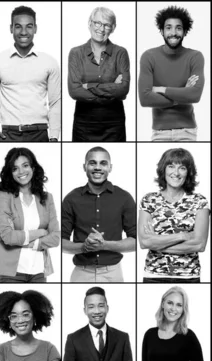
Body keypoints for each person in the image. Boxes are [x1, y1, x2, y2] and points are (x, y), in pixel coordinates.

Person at [61, 146, 136, 282]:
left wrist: (105, 245)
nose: (97, 167)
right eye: (92, 163)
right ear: (84, 167)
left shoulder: (124, 198)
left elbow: (136, 241)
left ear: (110, 167)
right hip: (81, 273)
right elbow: (61, 242)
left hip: (113, 273)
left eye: (103, 163)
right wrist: (84, 247)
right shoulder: (71, 199)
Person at [0, 6, 60, 142]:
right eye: (18, 27)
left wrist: (54, 136)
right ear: (11, 28)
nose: (23, 32)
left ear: (35, 28)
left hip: (40, 133)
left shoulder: (49, 62)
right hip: (8, 134)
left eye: (29, 26)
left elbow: (55, 102)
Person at [0, 148, 60, 282]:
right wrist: (40, 232)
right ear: (10, 172)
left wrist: (26, 242)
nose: (21, 172)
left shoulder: (47, 198)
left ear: (33, 167)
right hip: (12, 272)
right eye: (15, 168)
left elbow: (56, 237)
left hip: (39, 271)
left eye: (25, 165)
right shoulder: (4, 196)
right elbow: (8, 237)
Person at [138, 148, 210, 282]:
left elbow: (199, 245)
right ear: (163, 169)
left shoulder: (199, 201)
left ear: (188, 172)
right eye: (171, 166)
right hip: (154, 275)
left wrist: (157, 242)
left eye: (182, 168)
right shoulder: (149, 200)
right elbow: (144, 242)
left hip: (189, 276)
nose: (176, 173)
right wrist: (182, 236)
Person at [138, 6, 204, 141]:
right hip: (159, 131)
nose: (173, 32)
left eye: (178, 28)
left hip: (187, 131)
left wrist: (161, 89)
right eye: (168, 27)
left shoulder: (195, 57)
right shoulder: (149, 56)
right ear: (161, 31)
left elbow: (195, 96)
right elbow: (145, 99)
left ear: (185, 31)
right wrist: (183, 93)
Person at [68, 7, 130, 141]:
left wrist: (89, 86)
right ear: (89, 23)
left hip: (114, 124)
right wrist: (112, 87)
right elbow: (74, 91)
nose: (101, 29)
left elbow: (123, 90)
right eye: (97, 23)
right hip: (83, 124)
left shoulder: (120, 53)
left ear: (113, 28)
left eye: (107, 25)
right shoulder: (76, 53)